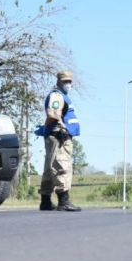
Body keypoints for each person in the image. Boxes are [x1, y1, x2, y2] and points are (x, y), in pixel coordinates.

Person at [37, 71, 82, 212]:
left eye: (69, 81)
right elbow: (53, 114)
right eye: (65, 81)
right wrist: (49, 129)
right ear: (58, 81)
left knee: (49, 169)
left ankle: (45, 201)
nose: (68, 84)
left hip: (55, 135)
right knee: (61, 166)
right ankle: (63, 201)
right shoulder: (57, 95)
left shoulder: (63, 96)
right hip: (59, 136)